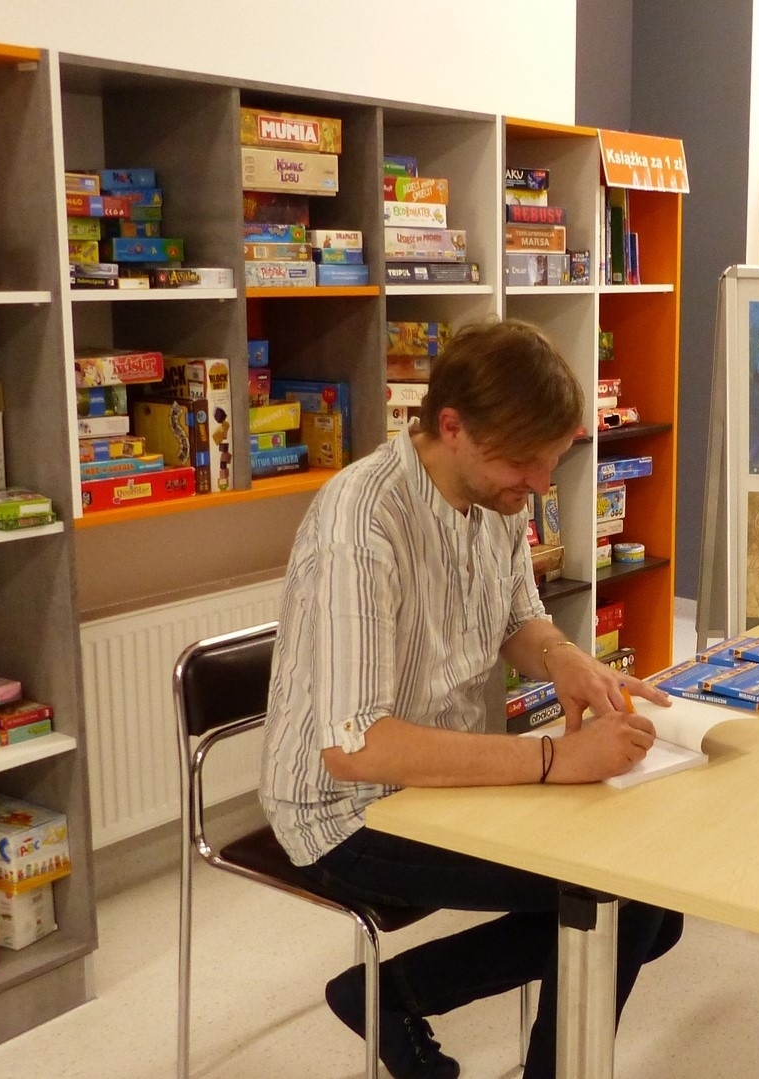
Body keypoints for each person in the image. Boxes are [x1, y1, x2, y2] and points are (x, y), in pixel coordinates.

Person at [259, 319, 683, 1079]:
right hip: (344, 813)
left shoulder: (494, 499)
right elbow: (357, 748)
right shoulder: (361, 524)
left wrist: (565, 659)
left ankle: (385, 995)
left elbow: (517, 618)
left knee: (654, 894)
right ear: (451, 427)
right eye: (524, 462)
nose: (541, 485)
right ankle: (403, 1004)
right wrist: (554, 758)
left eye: (551, 461)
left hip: (447, 782)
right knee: (617, 896)